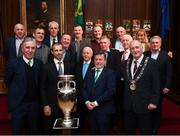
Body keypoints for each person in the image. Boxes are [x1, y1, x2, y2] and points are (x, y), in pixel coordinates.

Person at [117, 40, 160, 134]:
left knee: (146, 131)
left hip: (145, 105)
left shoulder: (152, 63)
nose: (135, 50)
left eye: (137, 47)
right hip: (128, 105)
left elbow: (156, 85)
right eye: (132, 48)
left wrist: (154, 102)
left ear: (142, 48)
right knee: (128, 132)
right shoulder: (124, 63)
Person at [5, 37, 42, 134]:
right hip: (18, 105)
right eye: (27, 47)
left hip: (34, 105)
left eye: (33, 48)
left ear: (35, 49)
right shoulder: (13, 63)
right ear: (22, 49)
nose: (30, 50)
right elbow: (7, 82)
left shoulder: (39, 63)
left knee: (34, 132)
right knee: (17, 132)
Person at [40, 43, 72, 134]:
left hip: (66, 105)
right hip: (51, 105)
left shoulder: (69, 65)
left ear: (63, 51)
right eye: (56, 50)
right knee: (51, 130)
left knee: (65, 131)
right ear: (52, 52)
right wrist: (45, 105)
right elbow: (42, 88)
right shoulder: (46, 67)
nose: (58, 52)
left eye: (60, 50)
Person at [82, 52, 116, 134]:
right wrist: (87, 102)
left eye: (100, 59)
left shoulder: (110, 73)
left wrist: (96, 103)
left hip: (104, 110)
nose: (98, 61)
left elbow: (110, 91)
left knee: (103, 132)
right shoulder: (90, 72)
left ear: (105, 61)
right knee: (94, 132)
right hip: (91, 109)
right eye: (96, 59)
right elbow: (84, 88)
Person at [144, 35, 172, 134]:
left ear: (160, 44)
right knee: (146, 107)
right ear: (150, 44)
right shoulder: (145, 54)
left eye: (157, 42)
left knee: (157, 108)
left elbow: (169, 72)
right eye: (153, 43)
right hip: (146, 87)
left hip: (160, 87)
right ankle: (147, 126)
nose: (154, 44)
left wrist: (167, 86)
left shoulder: (165, 56)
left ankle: (155, 128)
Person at [75, 46, 94, 134]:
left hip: (91, 98)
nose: (85, 55)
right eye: (84, 53)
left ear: (91, 54)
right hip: (79, 98)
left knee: (90, 122)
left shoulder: (95, 65)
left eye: (88, 53)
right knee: (79, 120)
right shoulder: (77, 65)